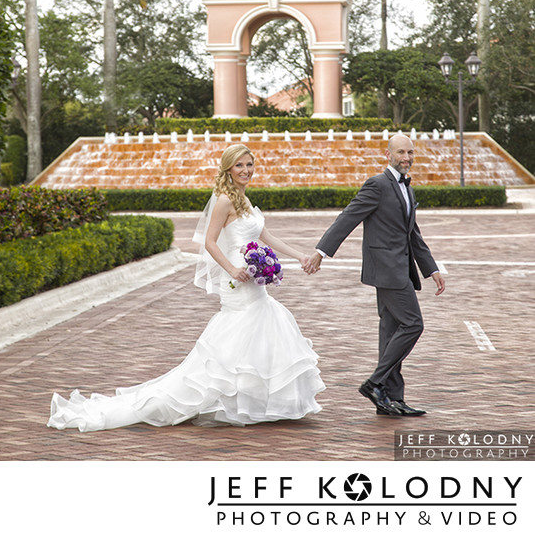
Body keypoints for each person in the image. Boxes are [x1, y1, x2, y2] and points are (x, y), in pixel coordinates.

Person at [47, 144, 325, 431]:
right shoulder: (225, 201)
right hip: (237, 278)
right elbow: (209, 242)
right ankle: (216, 398)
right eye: (239, 165)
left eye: (249, 165)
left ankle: (251, 403)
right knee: (239, 333)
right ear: (228, 169)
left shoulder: (244, 199)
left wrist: (299, 255)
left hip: (252, 278)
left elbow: (266, 235)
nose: (246, 171)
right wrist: (232, 269)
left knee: (258, 331)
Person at [304, 134, 445, 417]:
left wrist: (431, 268)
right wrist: (321, 252)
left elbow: (412, 234)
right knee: (413, 325)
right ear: (388, 153)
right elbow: (348, 217)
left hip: (400, 268)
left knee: (392, 333)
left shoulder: (407, 187)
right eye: (401, 152)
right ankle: (374, 383)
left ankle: (391, 399)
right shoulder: (377, 185)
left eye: (410, 152)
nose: (406, 157)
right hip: (386, 270)